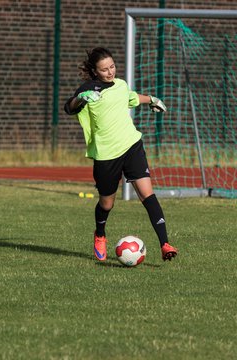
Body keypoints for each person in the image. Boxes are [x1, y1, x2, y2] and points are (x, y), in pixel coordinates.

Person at [64, 47, 177, 262]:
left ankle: (165, 244)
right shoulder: (89, 89)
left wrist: (152, 99)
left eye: (112, 66)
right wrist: (81, 98)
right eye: (104, 69)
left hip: (132, 145)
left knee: (148, 195)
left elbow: (131, 97)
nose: (110, 72)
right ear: (95, 71)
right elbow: (69, 108)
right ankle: (100, 234)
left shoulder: (121, 84)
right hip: (107, 155)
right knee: (107, 203)